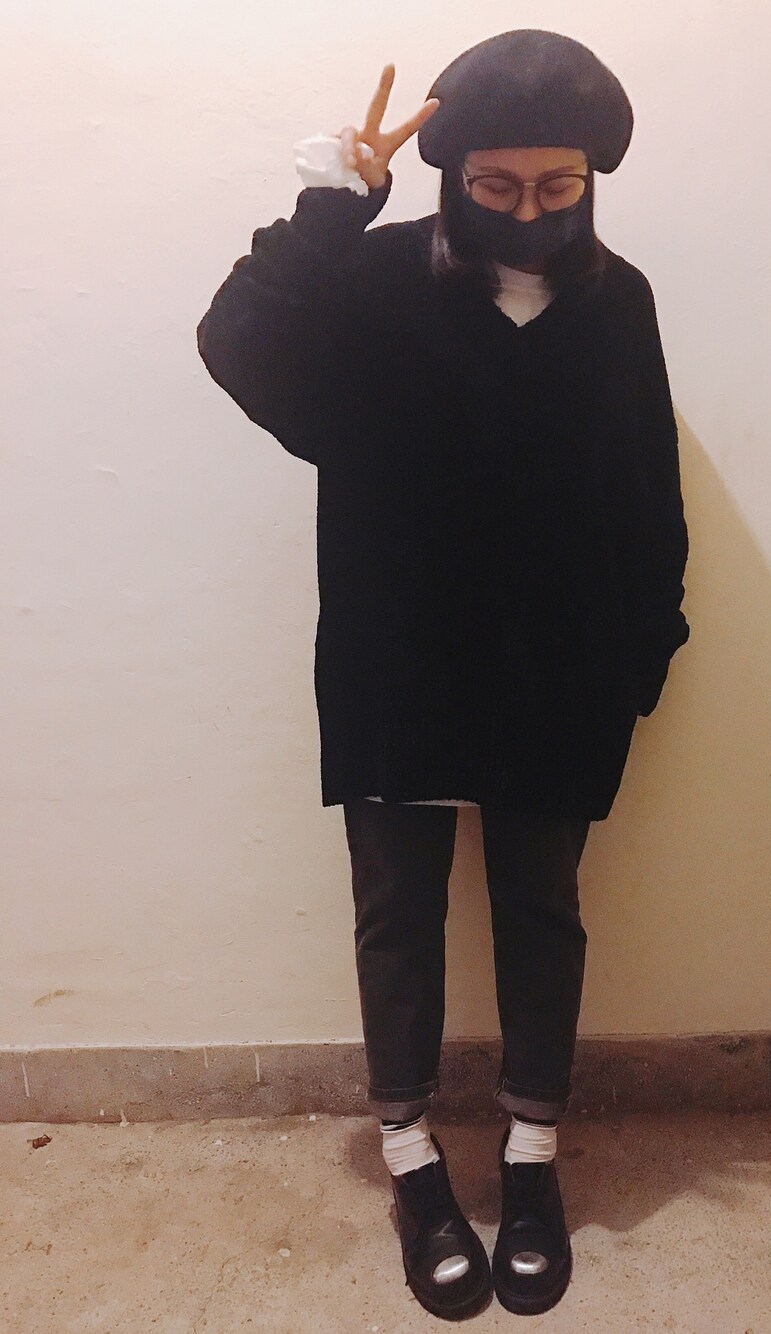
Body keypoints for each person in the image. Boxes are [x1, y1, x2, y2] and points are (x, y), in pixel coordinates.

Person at [196, 27, 691, 1320]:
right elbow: (238, 344)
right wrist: (329, 205)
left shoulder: (619, 299)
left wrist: (648, 645)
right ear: (452, 174)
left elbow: (649, 481)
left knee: (542, 907)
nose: (529, 213)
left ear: (591, 180)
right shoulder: (369, 283)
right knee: (398, 917)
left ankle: (531, 1157)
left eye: (558, 187)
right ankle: (412, 1159)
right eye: (497, 186)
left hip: (559, 666)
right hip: (399, 655)